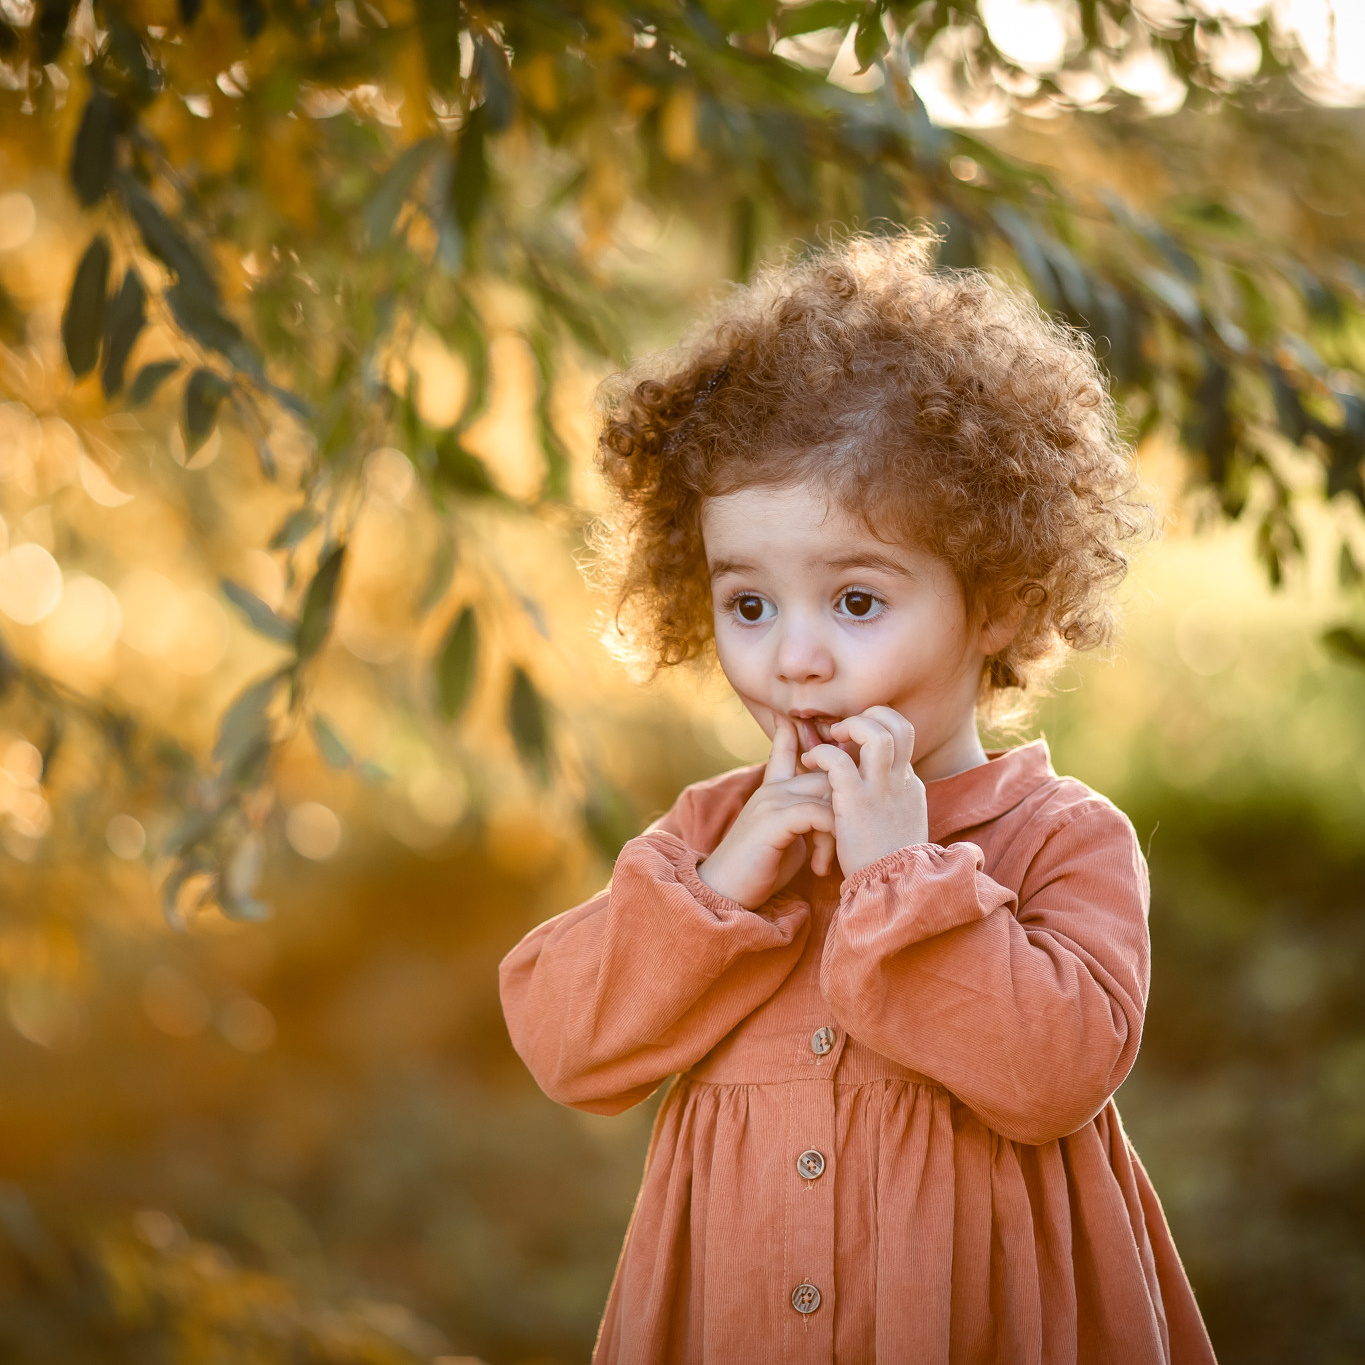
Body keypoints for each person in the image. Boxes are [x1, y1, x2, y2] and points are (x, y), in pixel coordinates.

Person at [499, 231, 1217, 1364]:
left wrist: (899, 874)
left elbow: (1052, 1077)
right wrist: (728, 882)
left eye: (857, 601)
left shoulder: (1060, 842)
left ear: (996, 604)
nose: (794, 659)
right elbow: (567, 1047)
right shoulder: (710, 838)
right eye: (749, 605)